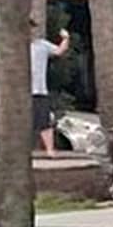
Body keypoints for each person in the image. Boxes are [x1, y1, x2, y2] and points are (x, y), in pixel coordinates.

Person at [31, 26, 72, 157]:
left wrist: (66, 38)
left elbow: (59, 51)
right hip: (20, 92)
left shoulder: (42, 45)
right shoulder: (14, 46)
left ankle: (50, 150)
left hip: (39, 89)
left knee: (44, 120)